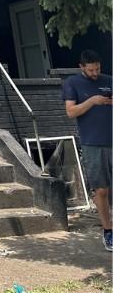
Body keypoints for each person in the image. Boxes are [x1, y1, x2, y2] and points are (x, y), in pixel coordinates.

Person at [63, 50, 112, 251]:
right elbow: (71, 112)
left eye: (98, 68)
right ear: (81, 66)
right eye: (91, 70)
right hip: (93, 143)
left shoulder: (109, 80)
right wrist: (93, 101)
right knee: (101, 189)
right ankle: (108, 230)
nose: (95, 73)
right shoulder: (72, 83)